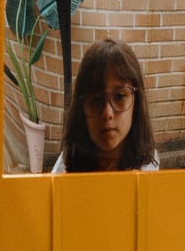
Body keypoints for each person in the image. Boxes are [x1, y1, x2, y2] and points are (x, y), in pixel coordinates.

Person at [52, 38, 159, 174]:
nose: (107, 113)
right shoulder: (66, 167)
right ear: (82, 106)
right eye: (96, 100)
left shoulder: (148, 164)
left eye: (119, 96)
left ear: (136, 101)